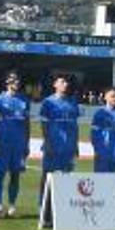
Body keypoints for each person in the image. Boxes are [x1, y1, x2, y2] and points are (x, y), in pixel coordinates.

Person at [0, 72, 30, 218]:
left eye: (18, 81)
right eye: (13, 81)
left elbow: (26, 124)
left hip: (18, 145)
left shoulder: (24, 101)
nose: (16, 83)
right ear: (7, 83)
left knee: (15, 176)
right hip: (3, 144)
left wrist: (26, 144)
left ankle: (12, 206)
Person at [38, 75, 81, 204]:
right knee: (47, 175)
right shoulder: (48, 102)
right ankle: (42, 207)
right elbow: (44, 124)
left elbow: (75, 125)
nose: (65, 84)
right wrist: (47, 142)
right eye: (62, 82)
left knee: (66, 177)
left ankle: (62, 206)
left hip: (68, 147)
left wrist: (76, 144)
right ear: (55, 85)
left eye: (66, 82)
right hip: (53, 145)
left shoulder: (72, 102)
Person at [90, 88, 115, 173]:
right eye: (112, 96)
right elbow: (93, 134)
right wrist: (97, 149)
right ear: (105, 97)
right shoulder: (99, 113)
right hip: (103, 151)